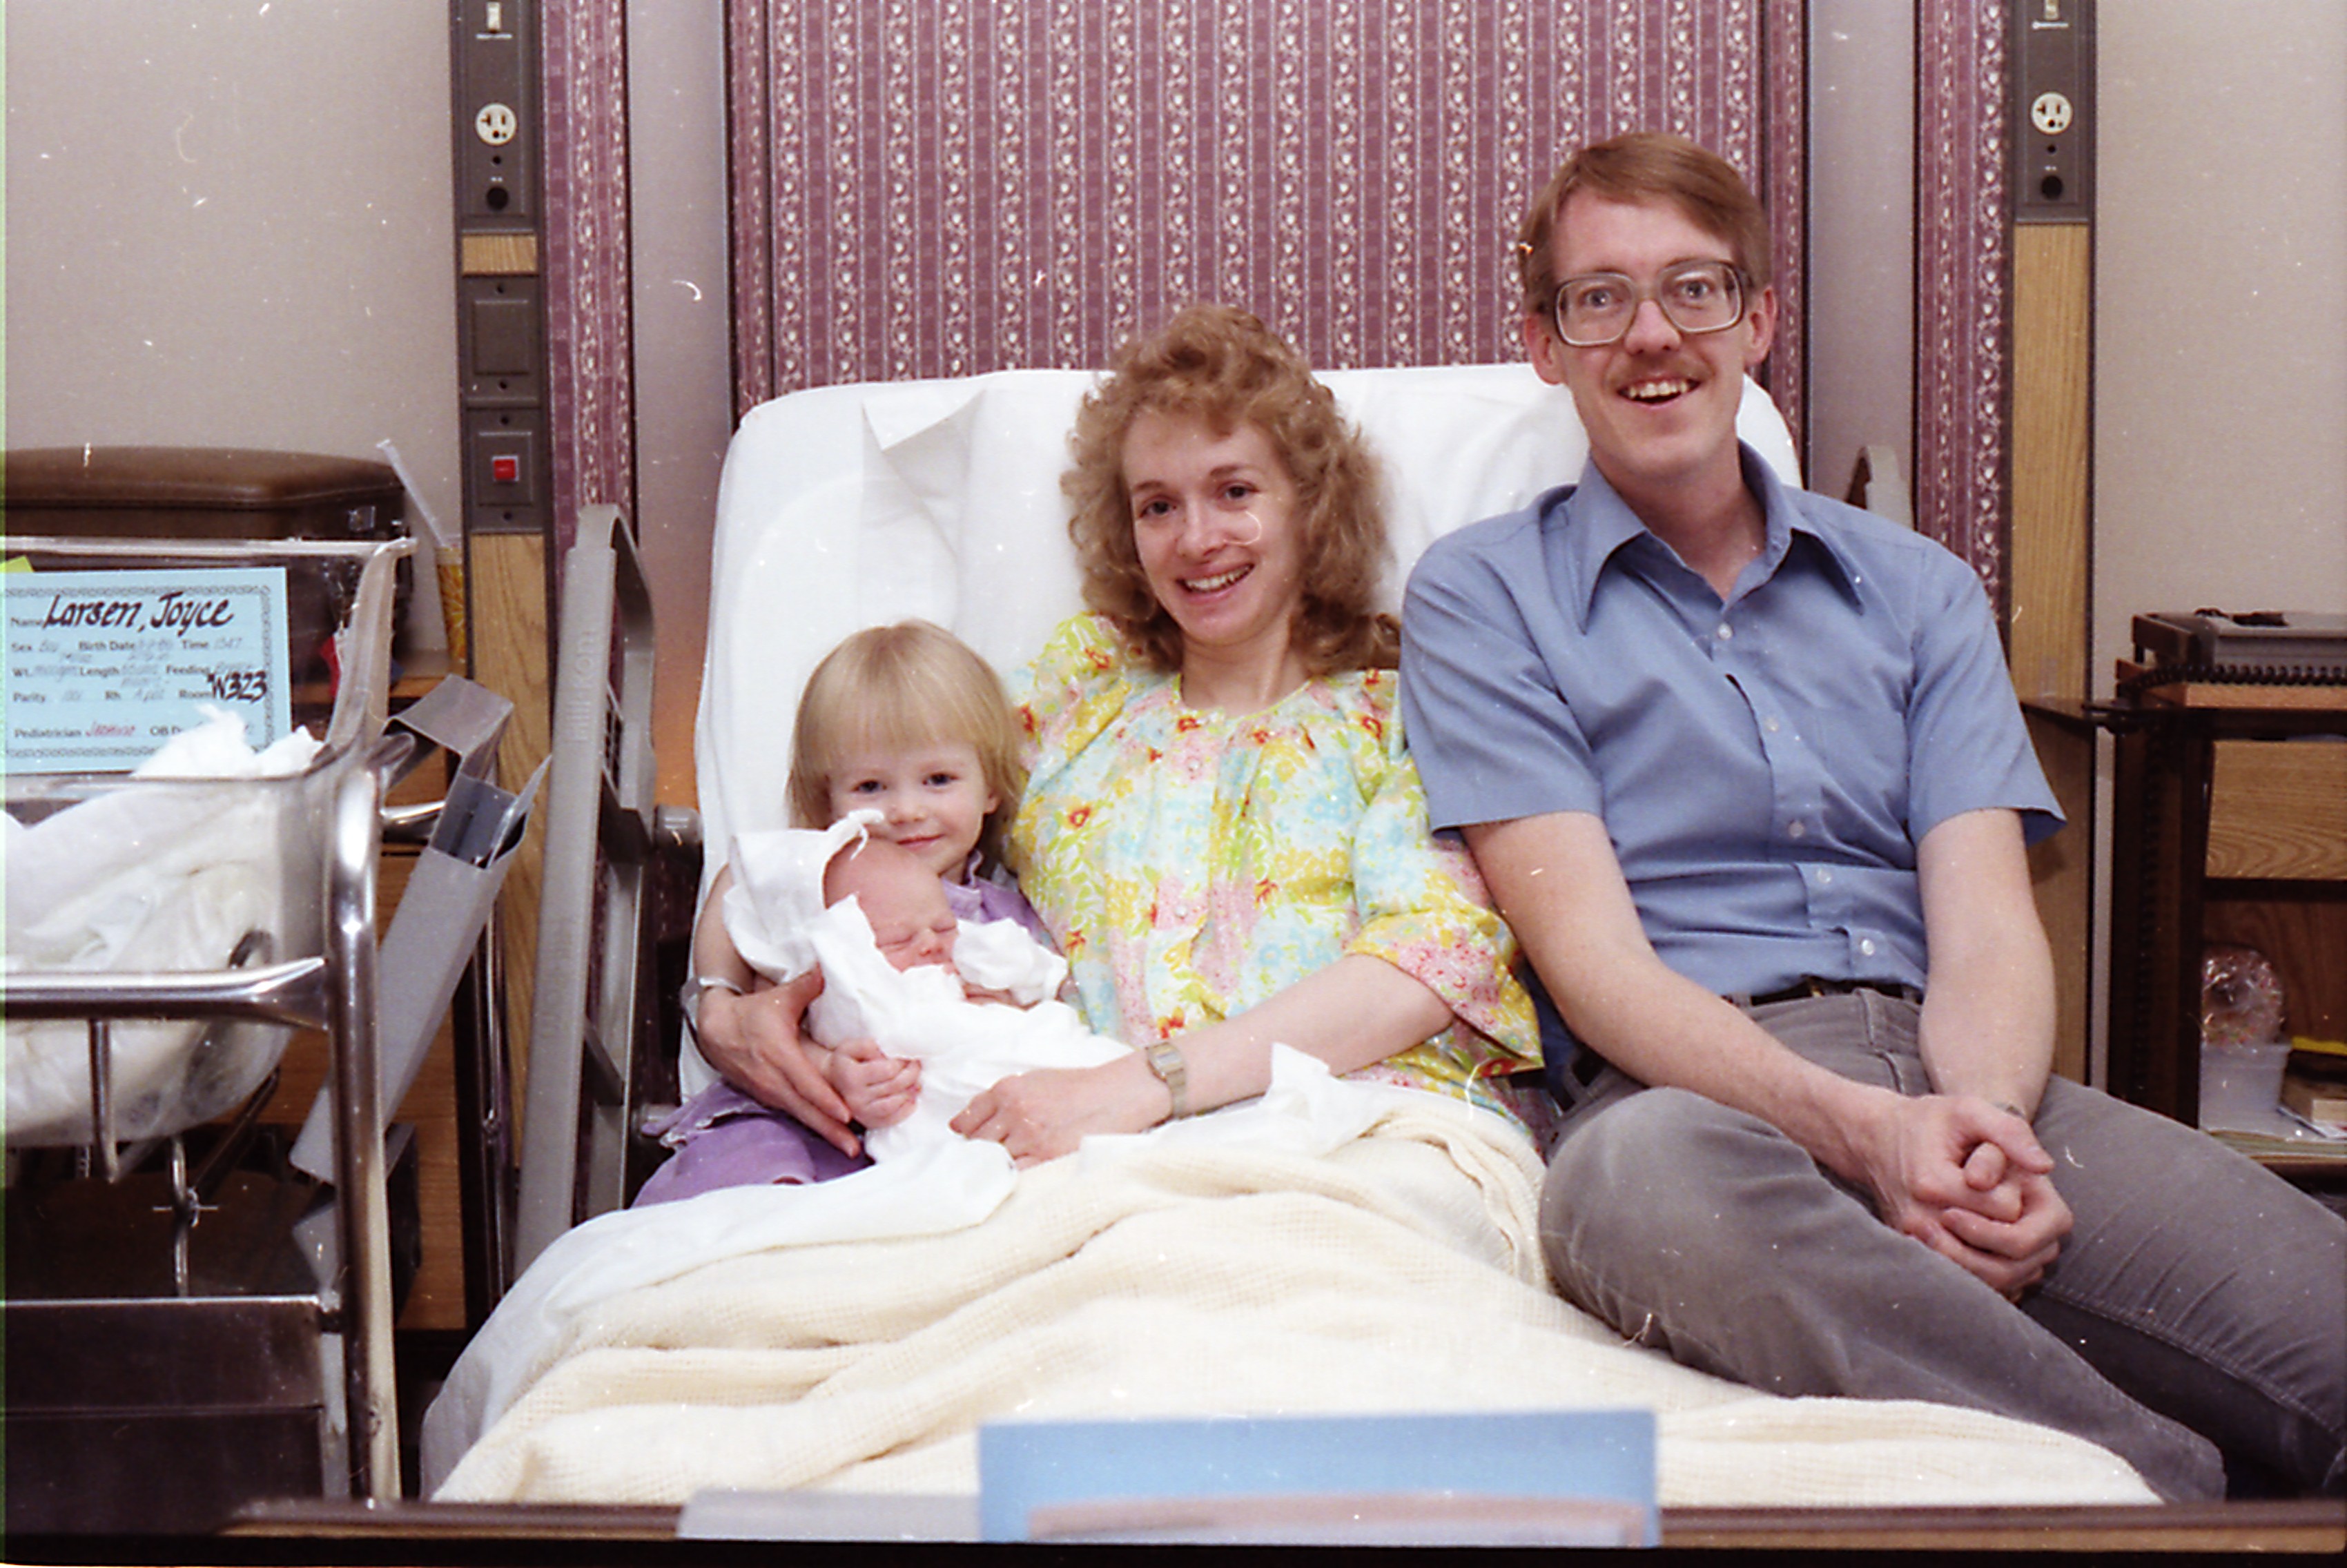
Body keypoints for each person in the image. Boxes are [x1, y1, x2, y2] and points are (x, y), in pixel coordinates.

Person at [1397, 130, 2344, 1500]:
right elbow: (1594, 965)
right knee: (1633, 1192)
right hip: (1688, 1100)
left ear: (1757, 321)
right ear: (1545, 346)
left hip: (1957, 1068)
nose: (1651, 335)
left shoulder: (1917, 588)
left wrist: (1974, 1133)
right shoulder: (1483, 595)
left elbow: (1987, 929)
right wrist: (1859, 1131)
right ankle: (2159, 1496)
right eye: (1598, 298)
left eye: (1694, 288)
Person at [945, 302, 1546, 1163]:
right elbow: (883, 804)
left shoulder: (1404, 716)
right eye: (1158, 506)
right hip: (1099, 1159)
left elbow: (1430, 962)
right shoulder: (1077, 697)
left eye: (1234, 492)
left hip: (1367, 1134)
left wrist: (1146, 1084)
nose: (1197, 540)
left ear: (1311, 505)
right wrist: (748, 1000)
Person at [655, 620, 1047, 1200]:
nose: (906, 809)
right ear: (827, 800)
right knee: (754, 1181)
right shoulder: (818, 891)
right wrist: (824, 1065)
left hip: (952, 1131)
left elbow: (1041, 1016)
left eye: (939, 779)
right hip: (807, 1125)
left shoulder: (1003, 917)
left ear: (990, 787)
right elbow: (746, 914)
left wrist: (1006, 1010)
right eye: (870, 787)